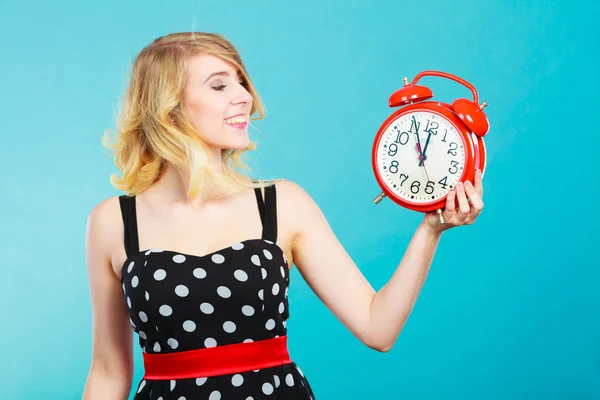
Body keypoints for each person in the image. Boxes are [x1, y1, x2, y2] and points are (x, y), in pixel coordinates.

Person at [81, 32, 484, 400]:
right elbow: (107, 371)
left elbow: (378, 328)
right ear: (167, 109)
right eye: (220, 85)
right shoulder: (112, 223)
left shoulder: (282, 204)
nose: (245, 97)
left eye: (241, 82)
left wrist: (431, 231)